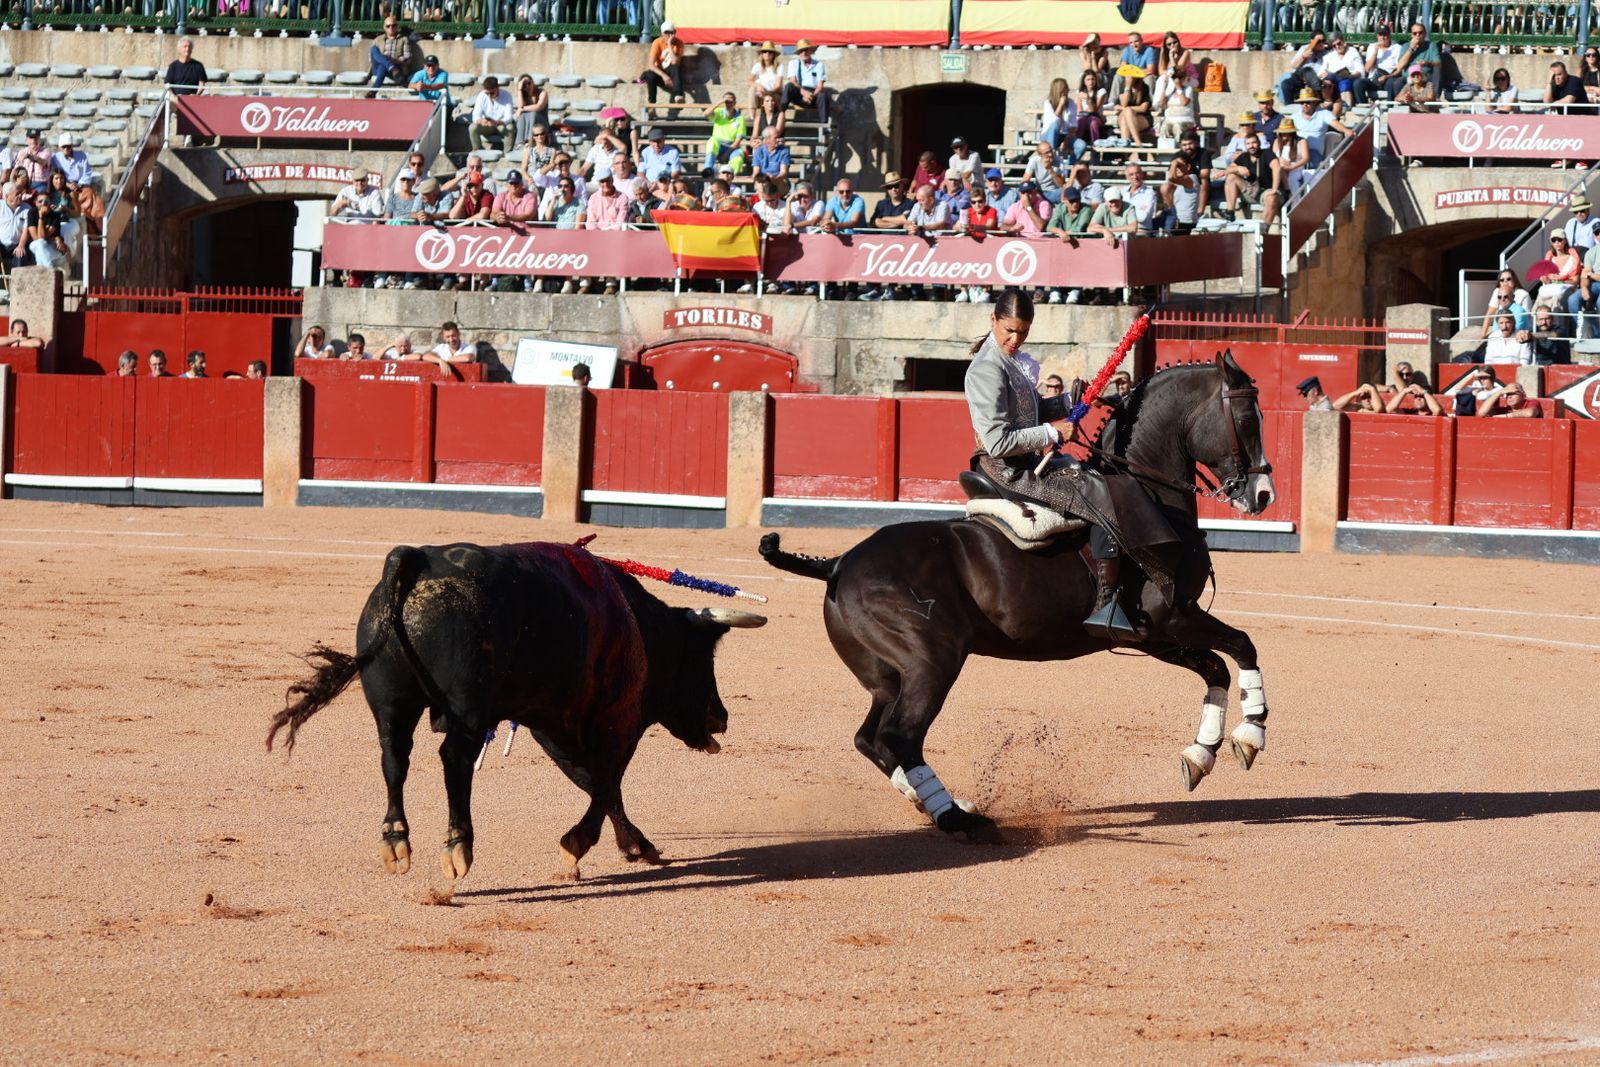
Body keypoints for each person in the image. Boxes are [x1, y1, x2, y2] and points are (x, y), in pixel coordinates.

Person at [964, 289, 1182, 641]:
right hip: (1008, 469)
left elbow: (1030, 412)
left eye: (1022, 331)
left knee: (1101, 478)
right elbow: (998, 441)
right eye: (1008, 330)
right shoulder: (986, 369)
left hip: (1026, 461)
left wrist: (1074, 400)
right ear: (993, 320)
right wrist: (1053, 430)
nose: (1014, 338)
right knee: (1098, 493)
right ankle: (1106, 603)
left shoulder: (1009, 362)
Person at [640, 20, 684, 109]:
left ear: (674, 33)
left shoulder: (679, 43)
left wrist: (669, 45)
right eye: (666, 33)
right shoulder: (657, 42)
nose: (668, 35)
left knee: (675, 68)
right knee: (650, 75)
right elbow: (651, 64)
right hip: (660, 73)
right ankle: (652, 105)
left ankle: (679, 96)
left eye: (670, 32)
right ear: (662, 34)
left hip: (673, 75)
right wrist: (664, 76)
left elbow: (675, 62)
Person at [783, 39, 829, 123]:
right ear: (798, 53)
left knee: (823, 95)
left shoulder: (818, 64)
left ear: (811, 51)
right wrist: (803, 92)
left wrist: (811, 96)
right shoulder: (793, 63)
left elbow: (820, 86)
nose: (803, 53)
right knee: (788, 86)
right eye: (801, 51)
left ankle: (824, 125)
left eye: (805, 50)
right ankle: (780, 115)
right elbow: (793, 81)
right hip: (798, 93)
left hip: (813, 94)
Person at [703, 92, 749, 174]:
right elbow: (706, 113)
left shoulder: (740, 118)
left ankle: (729, 175)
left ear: (735, 103)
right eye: (726, 102)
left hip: (731, 147)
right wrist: (720, 102)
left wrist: (726, 154)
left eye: (731, 101)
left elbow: (737, 141)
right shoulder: (719, 112)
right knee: (712, 141)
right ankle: (708, 169)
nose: (728, 104)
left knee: (739, 157)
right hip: (718, 146)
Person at [469, 77, 515, 152]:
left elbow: (509, 117)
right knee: (472, 127)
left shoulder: (507, 95)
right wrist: (481, 121)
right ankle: (478, 152)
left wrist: (497, 122)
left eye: (492, 93)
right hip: (487, 126)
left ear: (498, 88)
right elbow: (476, 115)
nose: (489, 96)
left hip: (501, 125)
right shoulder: (481, 96)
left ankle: (507, 153)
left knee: (510, 127)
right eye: (487, 93)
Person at [1360, 24, 1403, 103]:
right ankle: (1363, 107)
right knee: (1358, 83)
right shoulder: (1372, 46)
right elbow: (1367, 68)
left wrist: (1387, 77)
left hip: (1388, 77)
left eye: (1385, 34)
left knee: (1391, 82)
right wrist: (1375, 52)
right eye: (1380, 35)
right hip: (1373, 79)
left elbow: (1398, 69)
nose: (1382, 37)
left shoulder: (1397, 48)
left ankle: (1390, 107)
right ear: (1377, 36)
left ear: (1389, 35)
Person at [369, 15, 412, 91]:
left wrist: (392, 60)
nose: (391, 28)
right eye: (388, 26)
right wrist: (385, 60)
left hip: (397, 71)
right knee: (374, 49)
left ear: (397, 26)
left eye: (393, 25)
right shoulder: (378, 39)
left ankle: (373, 92)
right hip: (378, 68)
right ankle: (391, 67)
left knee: (384, 66)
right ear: (384, 28)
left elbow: (408, 57)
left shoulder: (404, 39)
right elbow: (371, 58)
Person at [512, 74, 549, 149]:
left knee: (533, 114)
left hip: (542, 122)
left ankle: (530, 141)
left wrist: (523, 108)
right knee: (522, 116)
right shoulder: (523, 95)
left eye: (529, 83)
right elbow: (520, 106)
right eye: (524, 85)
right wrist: (519, 90)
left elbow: (539, 107)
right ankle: (519, 143)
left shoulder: (542, 92)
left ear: (533, 83)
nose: (527, 86)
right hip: (528, 123)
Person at [749, 41, 784, 113]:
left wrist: (767, 94)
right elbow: (750, 81)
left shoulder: (779, 66)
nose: (767, 53)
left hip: (774, 94)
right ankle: (752, 117)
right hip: (761, 94)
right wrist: (758, 85)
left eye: (770, 52)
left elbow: (778, 86)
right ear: (761, 54)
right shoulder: (757, 65)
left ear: (773, 54)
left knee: (769, 99)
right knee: (752, 90)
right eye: (765, 51)